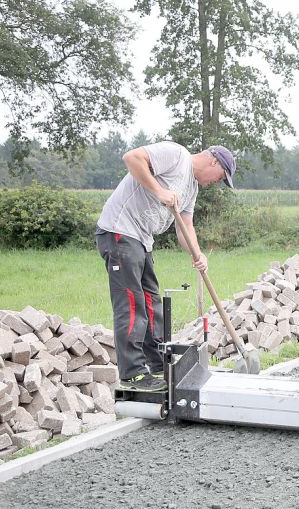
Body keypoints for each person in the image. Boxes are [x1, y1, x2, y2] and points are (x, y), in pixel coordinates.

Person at [96, 142, 236, 392]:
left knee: (152, 304)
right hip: (119, 231)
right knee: (132, 304)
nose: (218, 182)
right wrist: (160, 191)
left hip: (141, 240)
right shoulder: (177, 155)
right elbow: (132, 158)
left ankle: (158, 364)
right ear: (214, 161)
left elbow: (186, 226)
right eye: (221, 177)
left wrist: (197, 253)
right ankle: (133, 375)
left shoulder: (191, 188)